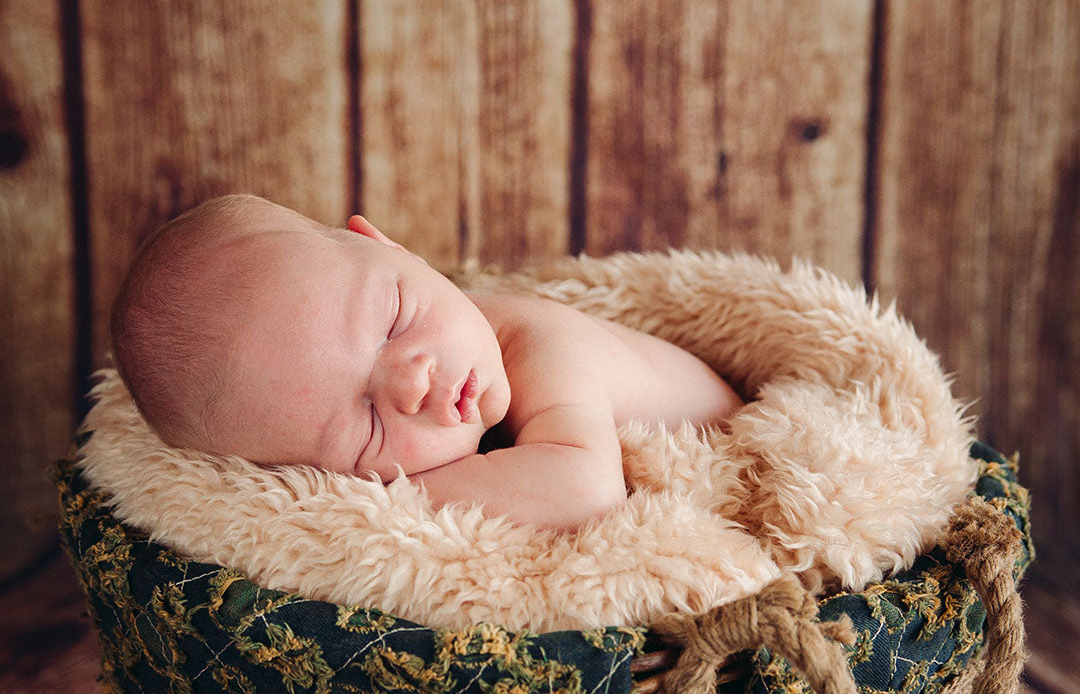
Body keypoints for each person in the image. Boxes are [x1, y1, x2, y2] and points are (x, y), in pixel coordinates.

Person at [112, 195, 744, 530]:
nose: (413, 383)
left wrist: (376, 499)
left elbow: (583, 490)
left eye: (394, 317)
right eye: (364, 427)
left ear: (389, 246)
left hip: (737, 454)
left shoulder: (541, 343)